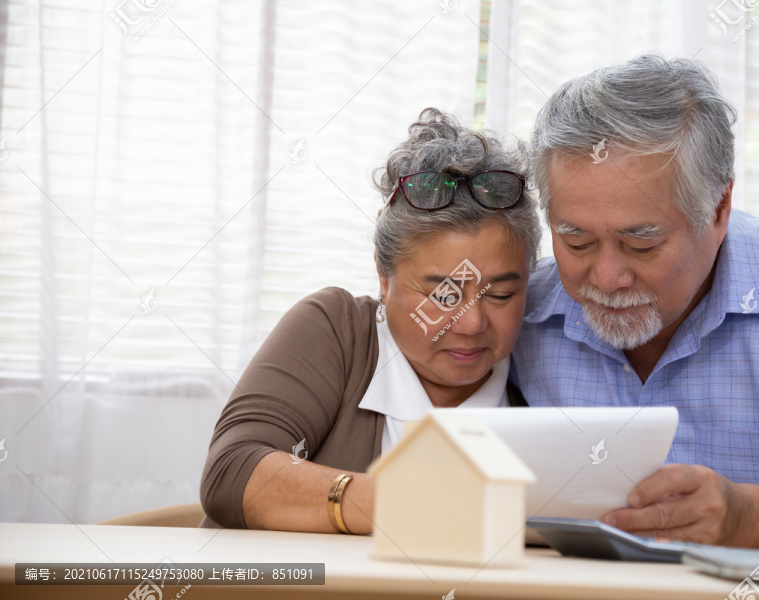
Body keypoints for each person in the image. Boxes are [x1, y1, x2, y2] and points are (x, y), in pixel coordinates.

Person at [514, 55, 759, 556]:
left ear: (718, 210)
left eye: (642, 243)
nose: (607, 278)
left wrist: (749, 517)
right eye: (576, 241)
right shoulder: (518, 307)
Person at [200, 108, 541, 534]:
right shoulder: (335, 329)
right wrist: (424, 507)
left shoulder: (545, 357)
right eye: (442, 295)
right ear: (384, 277)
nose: (471, 323)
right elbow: (232, 474)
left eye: (502, 295)